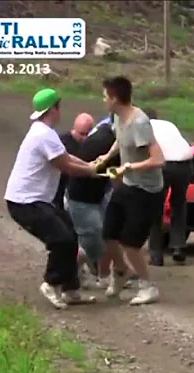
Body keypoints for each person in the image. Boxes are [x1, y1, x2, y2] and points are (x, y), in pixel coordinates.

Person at [3, 88, 99, 309]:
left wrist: (91, 165)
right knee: (61, 239)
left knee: (71, 237)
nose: (60, 111)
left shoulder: (44, 131)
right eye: (58, 106)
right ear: (53, 109)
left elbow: (66, 156)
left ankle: (71, 289)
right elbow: (65, 166)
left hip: (38, 200)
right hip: (25, 202)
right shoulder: (43, 134)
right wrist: (92, 171)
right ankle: (51, 282)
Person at [95, 76, 165, 305]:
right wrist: (106, 158)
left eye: (105, 96)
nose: (103, 99)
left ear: (115, 98)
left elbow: (158, 159)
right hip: (128, 185)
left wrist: (128, 167)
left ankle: (147, 286)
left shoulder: (139, 122)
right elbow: (120, 139)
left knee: (131, 243)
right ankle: (121, 274)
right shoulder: (117, 117)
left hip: (146, 190)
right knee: (108, 233)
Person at [66, 113, 125, 289]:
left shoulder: (106, 130)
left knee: (107, 235)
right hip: (82, 197)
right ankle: (67, 274)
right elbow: (117, 174)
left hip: (98, 191)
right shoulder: (106, 139)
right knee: (94, 242)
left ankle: (106, 275)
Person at [143, 108, 194, 266]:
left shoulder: (144, 126)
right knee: (178, 203)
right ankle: (179, 247)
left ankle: (156, 254)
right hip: (186, 163)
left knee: (155, 207)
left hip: (165, 166)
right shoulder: (168, 124)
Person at [54, 113, 93, 210]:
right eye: (81, 134)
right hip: (60, 189)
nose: (84, 138)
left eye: (87, 134)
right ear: (74, 129)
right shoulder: (61, 143)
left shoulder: (92, 143)